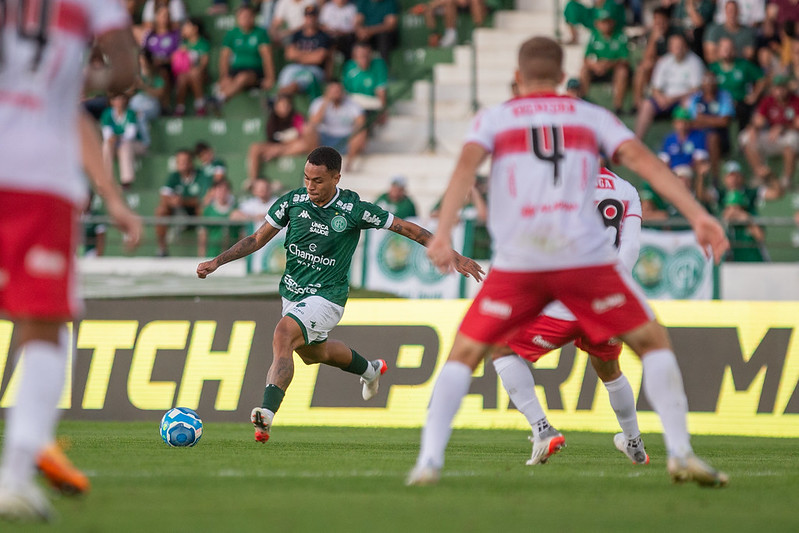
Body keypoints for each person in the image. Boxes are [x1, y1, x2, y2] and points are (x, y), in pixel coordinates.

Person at [408, 36, 730, 488]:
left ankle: (428, 462)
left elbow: (464, 168)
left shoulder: (496, 118)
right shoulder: (590, 116)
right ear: (563, 78)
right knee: (653, 343)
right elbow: (645, 161)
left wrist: (442, 234)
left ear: (518, 79)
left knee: (466, 353)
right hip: (584, 261)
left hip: (521, 259)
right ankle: (679, 451)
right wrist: (698, 215)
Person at [196, 147, 484, 443]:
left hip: (328, 297)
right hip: (293, 295)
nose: (310, 186)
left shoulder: (353, 209)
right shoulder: (293, 202)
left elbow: (407, 228)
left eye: (318, 181)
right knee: (313, 353)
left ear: (336, 178)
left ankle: (266, 413)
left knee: (283, 334)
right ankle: (370, 370)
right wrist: (217, 261)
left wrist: (452, 255)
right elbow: (256, 239)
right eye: (307, 178)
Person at [0, 0, 141, 521]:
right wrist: (78, 76)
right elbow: (125, 68)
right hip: (40, 180)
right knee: (45, 325)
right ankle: (15, 473)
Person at [492, 167, 648, 466]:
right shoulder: (626, 189)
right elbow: (631, 247)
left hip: (567, 297)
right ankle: (634, 442)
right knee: (609, 369)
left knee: (501, 347)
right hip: (609, 299)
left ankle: (542, 430)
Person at [634, 33, 705, 140]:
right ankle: (637, 140)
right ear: (670, 47)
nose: (678, 48)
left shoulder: (695, 62)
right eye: (675, 45)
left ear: (686, 46)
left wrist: (673, 99)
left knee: (689, 103)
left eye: (680, 45)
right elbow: (655, 87)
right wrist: (660, 98)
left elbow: (696, 89)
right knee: (647, 104)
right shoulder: (664, 61)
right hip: (665, 99)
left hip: (683, 99)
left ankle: (683, 142)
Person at [739, 74, 799, 190]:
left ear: (787, 88)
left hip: (788, 137)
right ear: (772, 89)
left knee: (792, 138)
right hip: (772, 137)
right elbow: (759, 121)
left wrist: (783, 127)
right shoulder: (767, 101)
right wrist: (753, 128)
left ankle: (787, 179)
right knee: (745, 137)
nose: (779, 91)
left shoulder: (795, 101)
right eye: (777, 88)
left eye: (782, 87)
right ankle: (761, 175)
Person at [246, 94, 315, 190]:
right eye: (281, 106)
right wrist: (276, 149)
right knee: (255, 148)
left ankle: (276, 153)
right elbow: (271, 139)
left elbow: (301, 138)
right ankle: (253, 180)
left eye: (286, 106)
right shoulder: (272, 119)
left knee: (302, 145)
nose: (284, 108)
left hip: (291, 147)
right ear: (276, 107)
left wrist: (278, 150)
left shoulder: (297, 117)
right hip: (276, 146)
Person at [216, 5, 276, 105]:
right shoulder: (231, 34)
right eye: (243, 16)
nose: (245, 19)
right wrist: (224, 76)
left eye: (248, 16)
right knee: (228, 82)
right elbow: (224, 58)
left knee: (243, 78)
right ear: (238, 18)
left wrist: (270, 78)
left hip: (254, 71)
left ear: (253, 17)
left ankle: (219, 98)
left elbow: (267, 57)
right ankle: (220, 99)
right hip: (235, 70)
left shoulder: (260, 33)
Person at [155, 148, 209, 257]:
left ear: (191, 162)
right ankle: (162, 249)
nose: (182, 164)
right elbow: (164, 195)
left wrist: (183, 201)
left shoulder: (201, 175)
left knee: (202, 209)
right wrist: (173, 201)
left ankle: (202, 252)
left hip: (195, 211)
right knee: (161, 210)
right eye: (179, 161)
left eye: (185, 161)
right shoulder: (174, 176)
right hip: (178, 211)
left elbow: (203, 199)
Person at [307, 80, 367, 171]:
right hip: (325, 137)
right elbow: (314, 122)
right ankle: (315, 162)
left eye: (338, 91)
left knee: (361, 132)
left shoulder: (352, 104)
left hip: (346, 138)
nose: (336, 94)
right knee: (308, 129)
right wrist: (326, 102)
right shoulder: (318, 102)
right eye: (333, 91)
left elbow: (361, 122)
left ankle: (349, 164)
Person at [579, 9, 630, 115]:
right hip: (598, 70)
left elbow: (625, 60)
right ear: (597, 24)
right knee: (584, 70)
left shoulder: (620, 36)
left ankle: (618, 107)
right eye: (603, 22)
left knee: (622, 71)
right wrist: (595, 66)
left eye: (608, 22)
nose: (606, 25)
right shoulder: (594, 35)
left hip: (613, 70)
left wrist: (607, 64)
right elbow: (585, 58)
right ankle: (582, 101)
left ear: (613, 22)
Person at [276, 5, 333, 98]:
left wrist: (299, 54)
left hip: (315, 69)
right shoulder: (298, 34)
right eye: (308, 16)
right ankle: (280, 101)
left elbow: (318, 59)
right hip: (297, 66)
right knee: (286, 73)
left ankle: (277, 99)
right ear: (304, 17)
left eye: (313, 16)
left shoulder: (323, 36)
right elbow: (289, 54)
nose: (310, 19)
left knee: (299, 81)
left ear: (317, 17)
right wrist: (310, 55)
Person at [709, 37, 765, 130]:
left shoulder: (744, 65)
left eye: (730, 48)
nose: (727, 51)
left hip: (741, 104)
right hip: (720, 105)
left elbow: (762, 78)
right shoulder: (713, 68)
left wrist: (755, 95)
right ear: (718, 50)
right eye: (724, 48)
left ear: (734, 50)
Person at [687, 73, 735, 176]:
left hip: (720, 138)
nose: (709, 84)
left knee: (712, 137)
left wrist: (703, 119)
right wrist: (714, 120)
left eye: (711, 81)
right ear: (702, 83)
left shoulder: (724, 96)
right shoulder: (696, 98)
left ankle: (715, 177)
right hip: (698, 136)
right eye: (706, 81)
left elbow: (724, 121)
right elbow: (691, 122)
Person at [101, 93, 147, 190]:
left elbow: (131, 134)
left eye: (121, 99)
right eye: (116, 99)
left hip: (136, 145)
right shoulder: (107, 113)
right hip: (116, 146)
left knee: (125, 145)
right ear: (111, 102)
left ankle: (126, 182)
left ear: (125, 101)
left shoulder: (130, 113)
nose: (119, 102)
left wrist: (117, 138)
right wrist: (113, 138)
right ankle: (105, 180)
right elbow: (106, 133)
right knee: (106, 145)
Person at [174, 17, 211, 116]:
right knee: (181, 78)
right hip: (185, 74)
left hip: (200, 74)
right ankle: (180, 107)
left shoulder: (203, 43)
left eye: (187, 26)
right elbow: (177, 64)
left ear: (195, 29)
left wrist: (196, 69)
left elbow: (204, 63)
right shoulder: (183, 45)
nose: (184, 29)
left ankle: (200, 105)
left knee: (194, 74)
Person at [343, 40, 389, 115]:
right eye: (361, 55)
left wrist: (383, 111)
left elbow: (381, 91)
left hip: (371, 105)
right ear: (354, 56)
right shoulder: (349, 66)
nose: (364, 58)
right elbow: (345, 92)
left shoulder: (379, 65)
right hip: (353, 105)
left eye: (367, 55)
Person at [198, 179, 238, 257]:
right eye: (219, 190)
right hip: (212, 253)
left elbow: (241, 234)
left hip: (232, 255)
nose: (222, 193)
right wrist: (201, 254)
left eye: (225, 190)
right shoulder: (208, 211)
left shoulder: (236, 210)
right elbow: (203, 233)